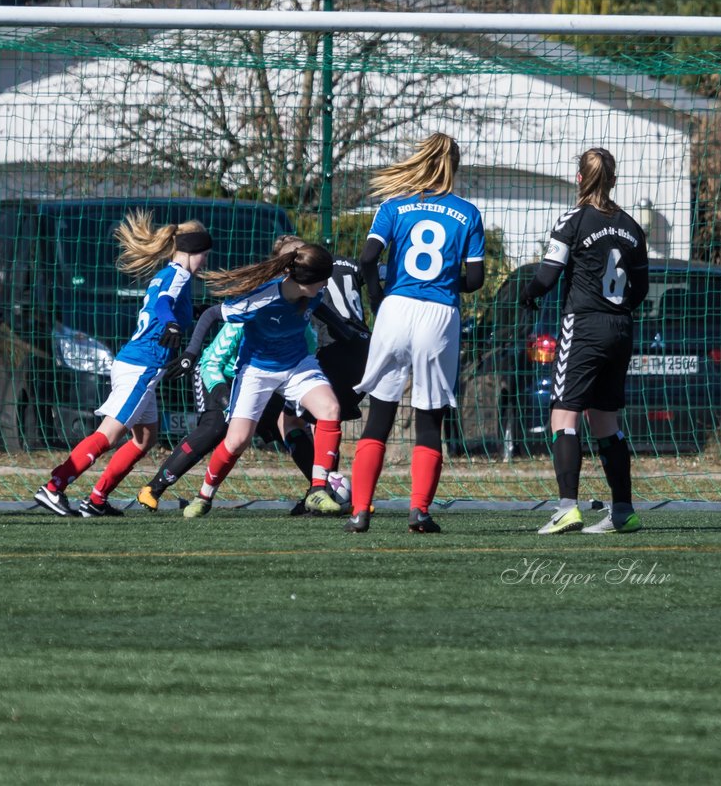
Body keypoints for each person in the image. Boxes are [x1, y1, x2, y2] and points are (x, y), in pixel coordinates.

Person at [136, 235, 367, 514]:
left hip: (297, 365)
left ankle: (317, 490)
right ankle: (204, 496)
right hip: (257, 371)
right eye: (323, 280)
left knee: (329, 408)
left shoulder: (313, 291)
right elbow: (211, 314)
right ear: (305, 280)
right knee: (236, 440)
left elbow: (325, 312)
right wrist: (190, 354)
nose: (325, 287)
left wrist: (351, 337)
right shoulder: (263, 297)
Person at [343, 133, 486, 534]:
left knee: (379, 417)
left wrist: (377, 296)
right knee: (429, 420)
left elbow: (368, 257)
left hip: (395, 309)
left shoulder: (393, 206)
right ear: (454, 167)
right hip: (439, 314)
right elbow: (474, 279)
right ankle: (419, 512)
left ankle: (360, 512)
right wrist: (446, 280)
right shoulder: (468, 213)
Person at [33, 212, 213, 517]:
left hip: (137, 364)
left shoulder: (168, 273)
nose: (206, 262)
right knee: (110, 434)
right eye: (205, 256)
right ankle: (54, 487)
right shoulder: (180, 275)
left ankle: (97, 500)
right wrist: (171, 323)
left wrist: (193, 312)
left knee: (145, 438)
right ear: (193, 251)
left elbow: (165, 301)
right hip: (141, 367)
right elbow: (161, 305)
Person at [520, 147, 649, 535]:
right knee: (606, 421)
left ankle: (566, 508)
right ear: (613, 180)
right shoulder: (631, 226)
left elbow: (548, 275)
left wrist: (526, 296)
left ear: (579, 179)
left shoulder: (572, 220)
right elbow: (641, 286)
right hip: (621, 328)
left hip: (585, 325)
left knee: (564, 414)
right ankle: (623, 511)